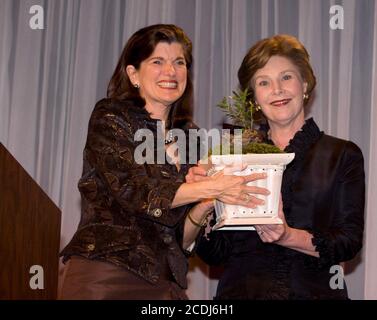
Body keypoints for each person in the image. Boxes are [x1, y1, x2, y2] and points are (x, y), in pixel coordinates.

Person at [59, 24, 268, 300]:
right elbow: (134, 192)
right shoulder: (111, 117)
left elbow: (181, 238)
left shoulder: (191, 137)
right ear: (133, 73)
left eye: (178, 62)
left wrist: (204, 206)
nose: (170, 71)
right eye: (157, 61)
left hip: (167, 283)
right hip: (106, 276)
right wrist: (213, 188)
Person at [192, 34, 365, 299]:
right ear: (253, 99)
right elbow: (216, 252)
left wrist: (288, 236)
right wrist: (202, 199)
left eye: (286, 77)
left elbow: (348, 242)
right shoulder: (232, 155)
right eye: (264, 82)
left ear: (305, 83)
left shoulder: (342, 154)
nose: (277, 90)